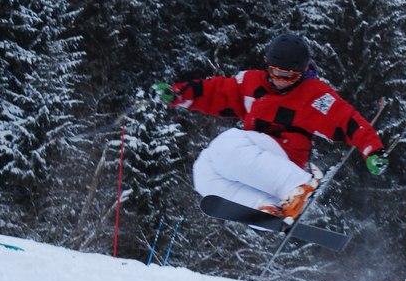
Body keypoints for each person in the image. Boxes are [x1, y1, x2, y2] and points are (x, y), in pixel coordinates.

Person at [153, 32, 388, 223]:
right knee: (203, 170)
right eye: (276, 73)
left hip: (284, 155)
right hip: (254, 155)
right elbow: (216, 91)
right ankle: (265, 207)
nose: (281, 81)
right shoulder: (251, 82)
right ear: (268, 66)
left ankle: (298, 186)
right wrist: (178, 94)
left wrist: (373, 150)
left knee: (227, 144)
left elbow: (346, 120)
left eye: (290, 76)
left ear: (303, 72)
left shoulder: (314, 95)